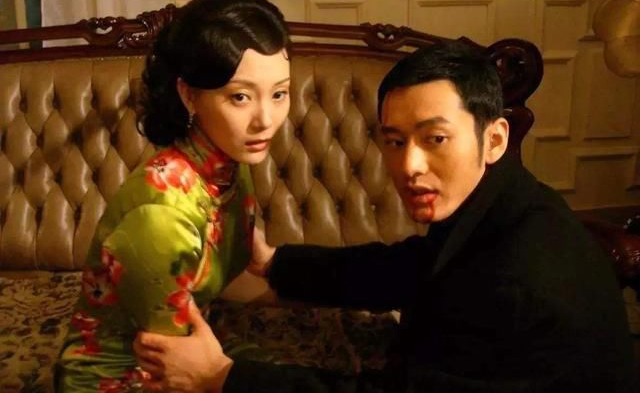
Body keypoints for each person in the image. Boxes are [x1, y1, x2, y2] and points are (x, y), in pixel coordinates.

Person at [134, 41, 637, 392]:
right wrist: (276, 262)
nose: (409, 165)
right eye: (394, 141)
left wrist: (222, 378)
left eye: (435, 139)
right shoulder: (505, 202)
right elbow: (413, 267)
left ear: (495, 138)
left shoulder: (518, 277)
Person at [56, 0, 291, 392]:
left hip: (183, 348)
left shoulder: (230, 166)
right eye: (240, 97)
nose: (266, 120)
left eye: (279, 93)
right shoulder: (163, 215)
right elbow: (173, 360)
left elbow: (225, 278)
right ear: (189, 95)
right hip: (122, 375)